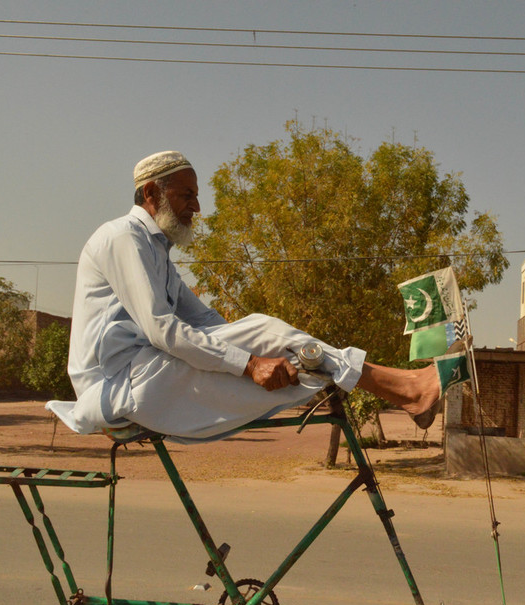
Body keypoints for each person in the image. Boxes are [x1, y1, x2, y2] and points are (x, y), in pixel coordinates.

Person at [53, 151, 443, 443]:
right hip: (117, 386)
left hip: (146, 375)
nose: (196, 207)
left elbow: (206, 322)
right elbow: (163, 331)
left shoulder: (158, 253)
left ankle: (407, 390)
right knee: (262, 332)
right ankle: (410, 390)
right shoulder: (123, 237)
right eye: (187, 195)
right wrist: (250, 362)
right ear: (153, 192)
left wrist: (256, 356)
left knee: (276, 343)